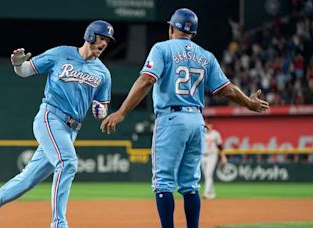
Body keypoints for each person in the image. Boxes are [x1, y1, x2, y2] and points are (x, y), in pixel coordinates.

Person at [100, 8, 269, 228]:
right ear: (193, 34)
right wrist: (249, 102)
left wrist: (121, 112)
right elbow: (226, 89)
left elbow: (146, 81)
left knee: (163, 184)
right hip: (197, 121)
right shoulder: (206, 55)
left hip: (172, 119)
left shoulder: (162, 48)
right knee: (190, 185)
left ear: (171, 28)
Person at [0, 20, 115, 228]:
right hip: (50, 118)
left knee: (27, 180)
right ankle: (58, 223)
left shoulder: (103, 73)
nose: (105, 43)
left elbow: (102, 106)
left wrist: (101, 111)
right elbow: (26, 70)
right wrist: (18, 64)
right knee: (68, 162)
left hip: (71, 130)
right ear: (90, 36)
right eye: (102, 38)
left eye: (108, 40)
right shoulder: (61, 53)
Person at [201, 120, 226, 199]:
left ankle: (206, 192)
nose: (207, 125)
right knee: (206, 175)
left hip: (212, 155)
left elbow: (220, 146)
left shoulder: (215, 134)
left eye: (208, 124)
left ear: (211, 125)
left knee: (208, 174)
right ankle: (212, 192)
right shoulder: (201, 133)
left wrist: (223, 156)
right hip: (202, 155)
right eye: (206, 124)